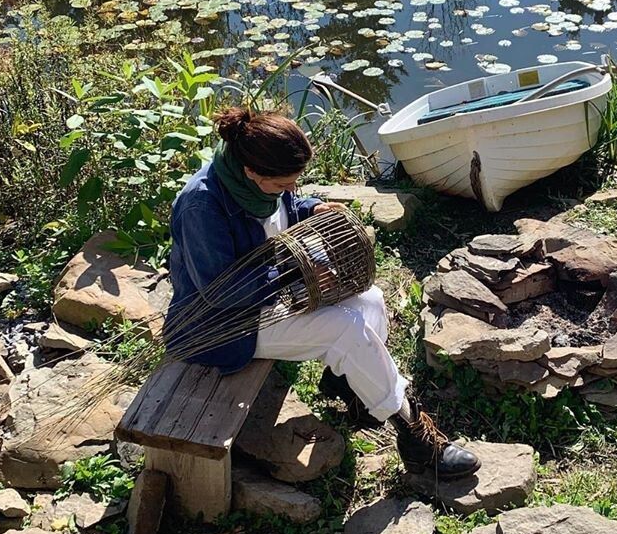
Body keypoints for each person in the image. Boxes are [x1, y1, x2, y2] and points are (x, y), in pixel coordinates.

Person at [166, 106, 479, 481]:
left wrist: (310, 208)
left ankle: (351, 386)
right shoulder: (201, 206)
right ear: (252, 171)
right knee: (345, 329)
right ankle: (416, 438)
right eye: (284, 184)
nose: (291, 190)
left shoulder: (255, 180)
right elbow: (222, 292)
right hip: (221, 326)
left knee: (372, 301)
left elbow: (283, 211)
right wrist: (293, 271)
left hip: (267, 299)